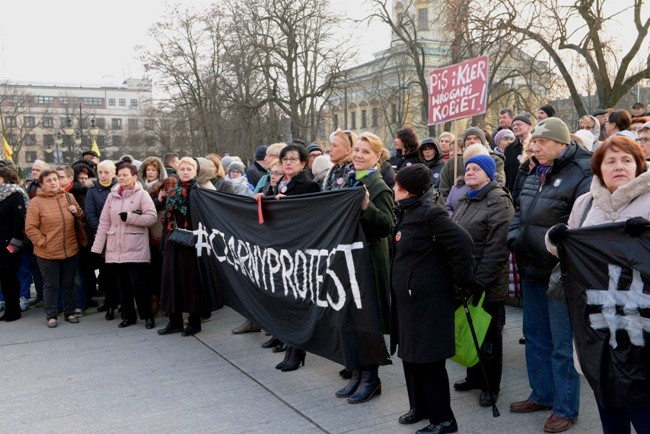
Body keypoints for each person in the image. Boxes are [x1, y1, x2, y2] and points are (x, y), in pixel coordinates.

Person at [546, 135, 650, 434]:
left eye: (627, 160)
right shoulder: (586, 201)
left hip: (639, 318)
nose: (619, 166)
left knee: (643, 407)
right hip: (596, 317)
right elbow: (567, 247)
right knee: (608, 403)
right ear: (599, 167)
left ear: (638, 165)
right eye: (611, 161)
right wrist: (554, 238)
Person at [507, 117, 592, 433]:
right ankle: (541, 394)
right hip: (530, 268)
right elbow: (519, 211)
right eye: (534, 142)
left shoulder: (580, 173)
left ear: (560, 143)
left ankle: (565, 407)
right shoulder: (533, 171)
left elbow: (581, 222)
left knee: (561, 344)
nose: (534, 146)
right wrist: (514, 237)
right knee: (535, 336)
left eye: (541, 142)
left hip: (560, 273)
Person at [390, 164, 475, 433]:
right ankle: (420, 407)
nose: (394, 189)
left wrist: (461, 282)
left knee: (429, 360)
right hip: (408, 301)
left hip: (427, 302)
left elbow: (463, 244)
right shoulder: (406, 211)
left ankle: (444, 419)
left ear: (406, 190)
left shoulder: (430, 214)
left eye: (397, 185)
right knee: (411, 356)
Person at [450, 155, 515, 408]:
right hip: (465, 279)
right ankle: (474, 376)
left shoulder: (499, 201)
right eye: (468, 169)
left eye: (476, 169)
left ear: (489, 174)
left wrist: (479, 280)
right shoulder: (466, 197)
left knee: (488, 336)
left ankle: (490, 385)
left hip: (485, 282)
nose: (470, 172)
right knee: (470, 329)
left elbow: (498, 248)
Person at [335, 132, 394, 404]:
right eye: (357, 150)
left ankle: (371, 378)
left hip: (369, 260)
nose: (359, 155)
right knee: (351, 319)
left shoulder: (378, 185)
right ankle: (357, 373)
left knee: (367, 320)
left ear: (377, 157)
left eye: (366, 152)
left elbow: (386, 226)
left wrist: (367, 207)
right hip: (350, 259)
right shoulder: (349, 179)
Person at [91, 163, 157, 329]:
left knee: (139, 284)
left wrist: (130, 217)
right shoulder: (112, 196)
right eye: (119, 175)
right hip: (115, 248)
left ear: (134, 177)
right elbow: (104, 222)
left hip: (135, 247)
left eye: (125, 175)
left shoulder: (142, 194)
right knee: (123, 285)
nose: (121, 178)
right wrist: (97, 248)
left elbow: (151, 218)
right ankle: (129, 316)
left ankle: (147, 316)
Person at [157, 157, 213, 337]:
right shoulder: (175, 192)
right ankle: (175, 321)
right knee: (170, 281)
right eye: (182, 168)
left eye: (189, 168)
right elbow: (168, 216)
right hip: (173, 240)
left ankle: (194, 322)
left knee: (190, 283)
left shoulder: (199, 192)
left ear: (196, 171)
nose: (186, 171)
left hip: (190, 243)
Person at [25, 169, 84, 328]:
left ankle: (69, 312)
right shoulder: (35, 202)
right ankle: (51, 315)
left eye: (55, 179)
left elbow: (80, 216)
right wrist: (43, 242)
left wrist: (76, 211)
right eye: (48, 180)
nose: (53, 183)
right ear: (42, 185)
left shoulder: (68, 196)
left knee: (68, 283)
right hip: (47, 253)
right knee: (51, 285)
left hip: (70, 249)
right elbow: (30, 228)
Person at [85, 160, 119, 320]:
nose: (103, 175)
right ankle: (110, 304)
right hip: (103, 237)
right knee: (107, 273)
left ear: (114, 173)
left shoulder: (120, 188)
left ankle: (122, 303)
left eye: (107, 172)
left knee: (121, 273)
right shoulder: (92, 192)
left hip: (121, 236)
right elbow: (90, 214)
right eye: (100, 172)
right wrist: (103, 230)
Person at [0, 166, 29, 321]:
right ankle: (9, 309)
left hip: (11, 244)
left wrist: (12, 246)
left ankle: (14, 311)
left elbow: (20, 221)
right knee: (4, 278)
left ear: (5, 178)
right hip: (0, 244)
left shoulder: (15, 194)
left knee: (10, 276)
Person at [504, 112, 534, 193]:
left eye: (518, 124)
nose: (515, 127)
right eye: (513, 125)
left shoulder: (535, 145)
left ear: (530, 126)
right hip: (512, 191)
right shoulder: (509, 149)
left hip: (530, 190)